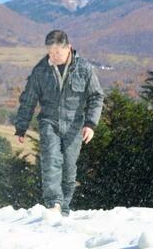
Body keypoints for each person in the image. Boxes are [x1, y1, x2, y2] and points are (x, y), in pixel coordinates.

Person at [14, 30, 104, 216]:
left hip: (74, 126)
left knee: (69, 169)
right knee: (51, 162)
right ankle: (54, 203)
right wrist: (21, 126)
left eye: (57, 53)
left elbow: (96, 97)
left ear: (68, 48)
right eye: (50, 52)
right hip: (49, 122)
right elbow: (29, 99)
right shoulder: (40, 70)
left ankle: (64, 208)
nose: (53, 56)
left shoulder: (84, 69)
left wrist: (91, 124)